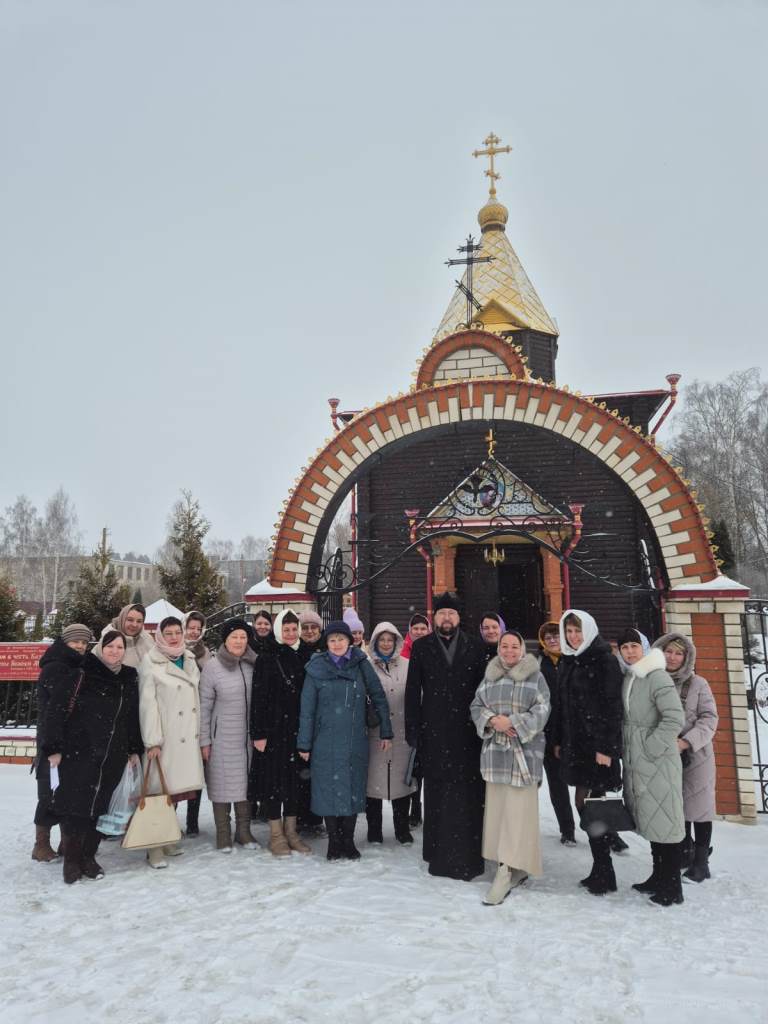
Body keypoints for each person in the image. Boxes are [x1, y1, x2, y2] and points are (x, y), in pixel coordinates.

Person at [44, 630, 143, 884]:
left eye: (120, 647)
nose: (114, 651)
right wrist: (53, 748)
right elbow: (54, 711)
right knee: (76, 806)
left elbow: (131, 717)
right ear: (100, 648)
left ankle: (88, 856)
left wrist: (133, 748)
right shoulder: (81, 673)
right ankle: (71, 860)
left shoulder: (129, 678)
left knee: (100, 807)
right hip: (80, 751)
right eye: (110, 646)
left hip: (113, 753)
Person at [405, 592, 488, 881]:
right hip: (434, 730)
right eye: (442, 614)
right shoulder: (422, 647)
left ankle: (470, 846)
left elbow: (484, 691)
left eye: (451, 614)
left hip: (469, 732)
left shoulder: (475, 647)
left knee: (469, 792)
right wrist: (413, 729)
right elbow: (413, 691)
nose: (447, 618)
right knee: (437, 791)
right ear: (434, 618)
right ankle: (436, 848)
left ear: (458, 618)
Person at [297, 620, 393, 860]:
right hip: (323, 741)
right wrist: (304, 743)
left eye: (341, 639)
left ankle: (348, 841)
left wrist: (386, 730)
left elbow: (378, 696)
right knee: (327, 790)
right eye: (332, 640)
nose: (337, 643)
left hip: (354, 740)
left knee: (353, 788)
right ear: (326, 643)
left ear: (350, 640)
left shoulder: (361, 664)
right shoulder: (315, 667)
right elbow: (307, 709)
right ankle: (334, 841)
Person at [471, 630, 550, 905]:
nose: (508, 651)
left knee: (519, 816)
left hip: (523, 755)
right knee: (499, 814)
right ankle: (508, 865)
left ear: (521, 648)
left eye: (514, 646)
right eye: (504, 646)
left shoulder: (534, 675)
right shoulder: (490, 675)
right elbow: (476, 705)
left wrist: (513, 722)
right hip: (495, 755)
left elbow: (542, 710)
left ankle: (508, 871)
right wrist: (493, 720)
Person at [550, 609, 623, 895]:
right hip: (576, 746)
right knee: (586, 805)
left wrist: (607, 749)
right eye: (568, 631)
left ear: (589, 630)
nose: (573, 636)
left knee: (592, 806)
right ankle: (600, 867)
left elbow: (612, 707)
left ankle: (605, 871)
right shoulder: (569, 661)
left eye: (577, 631)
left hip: (597, 750)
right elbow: (561, 705)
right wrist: (557, 739)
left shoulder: (604, 661)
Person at [619, 628, 685, 906]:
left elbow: (674, 718)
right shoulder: (631, 676)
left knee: (666, 824)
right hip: (640, 761)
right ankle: (658, 876)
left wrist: (651, 747)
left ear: (645, 648)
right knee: (652, 821)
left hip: (658, 761)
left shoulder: (657, 676)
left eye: (635, 646)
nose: (630, 651)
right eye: (625, 647)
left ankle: (673, 888)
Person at [653, 631, 718, 884]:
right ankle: (683, 852)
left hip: (695, 754)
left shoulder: (698, 684)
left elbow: (709, 718)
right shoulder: (654, 681)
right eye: (668, 651)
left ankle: (701, 862)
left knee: (698, 810)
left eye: (678, 653)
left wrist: (686, 741)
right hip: (664, 755)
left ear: (686, 657)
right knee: (675, 808)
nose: (672, 657)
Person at [138, 616, 203, 868]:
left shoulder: (188, 658)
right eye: (169, 633)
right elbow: (148, 706)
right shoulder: (150, 661)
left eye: (178, 632)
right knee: (157, 792)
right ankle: (153, 847)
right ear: (160, 635)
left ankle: (166, 839)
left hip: (186, 735)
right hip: (164, 738)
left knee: (173, 793)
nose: (174, 637)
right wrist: (152, 740)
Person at [251, 610, 311, 856]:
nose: (290, 633)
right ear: (278, 630)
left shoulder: (305, 655)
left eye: (293, 629)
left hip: (298, 730)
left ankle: (292, 831)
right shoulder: (267, 657)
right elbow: (258, 698)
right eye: (285, 629)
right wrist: (259, 733)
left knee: (295, 783)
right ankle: (276, 835)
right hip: (274, 732)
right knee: (274, 784)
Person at [32, 623, 93, 862]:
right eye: (75, 641)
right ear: (65, 642)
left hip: (71, 740)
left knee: (67, 792)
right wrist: (53, 746)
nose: (79, 646)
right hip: (53, 740)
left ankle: (65, 843)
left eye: (84, 642)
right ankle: (41, 845)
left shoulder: (76, 665)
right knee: (49, 793)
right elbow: (54, 711)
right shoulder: (56, 667)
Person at [199, 618, 259, 853]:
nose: (239, 641)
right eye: (234, 637)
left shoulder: (253, 663)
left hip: (247, 738)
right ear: (225, 640)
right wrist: (204, 740)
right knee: (222, 784)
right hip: (221, 737)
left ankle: (243, 831)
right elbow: (204, 706)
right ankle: (223, 832)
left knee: (244, 784)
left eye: (243, 637)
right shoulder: (213, 667)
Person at [366, 622, 417, 846]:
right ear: (375, 642)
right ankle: (374, 830)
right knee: (372, 785)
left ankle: (402, 829)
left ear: (396, 641)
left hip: (402, 733)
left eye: (390, 639)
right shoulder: (366, 666)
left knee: (401, 784)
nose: (386, 644)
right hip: (375, 733)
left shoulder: (408, 665)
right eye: (381, 640)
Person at [538, 621, 577, 846]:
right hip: (549, 733)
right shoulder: (538, 664)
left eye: (556, 635)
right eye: (549, 637)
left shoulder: (575, 661)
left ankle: (605, 831)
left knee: (588, 786)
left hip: (575, 732)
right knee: (557, 784)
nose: (553, 640)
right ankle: (567, 829)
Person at [401, 612, 431, 828]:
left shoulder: (434, 650)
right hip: (409, 715)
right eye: (416, 628)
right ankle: (413, 806)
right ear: (409, 631)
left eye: (423, 628)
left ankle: (425, 807)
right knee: (412, 767)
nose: (419, 632)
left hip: (431, 716)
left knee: (427, 767)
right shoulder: (402, 654)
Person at [182, 611, 210, 837]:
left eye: (197, 628)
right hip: (175, 718)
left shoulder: (204, 653)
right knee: (173, 773)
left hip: (196, 715)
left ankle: (192, 820)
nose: (194, 631)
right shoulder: (172, 649)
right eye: (190, 627)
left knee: (195, 771)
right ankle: (167, 819)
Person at [103, 603, 153, 669]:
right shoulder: (106, 641)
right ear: (122, 619)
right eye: (130, 620)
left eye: (139, 621)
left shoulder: (147, 640)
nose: (134, 625)